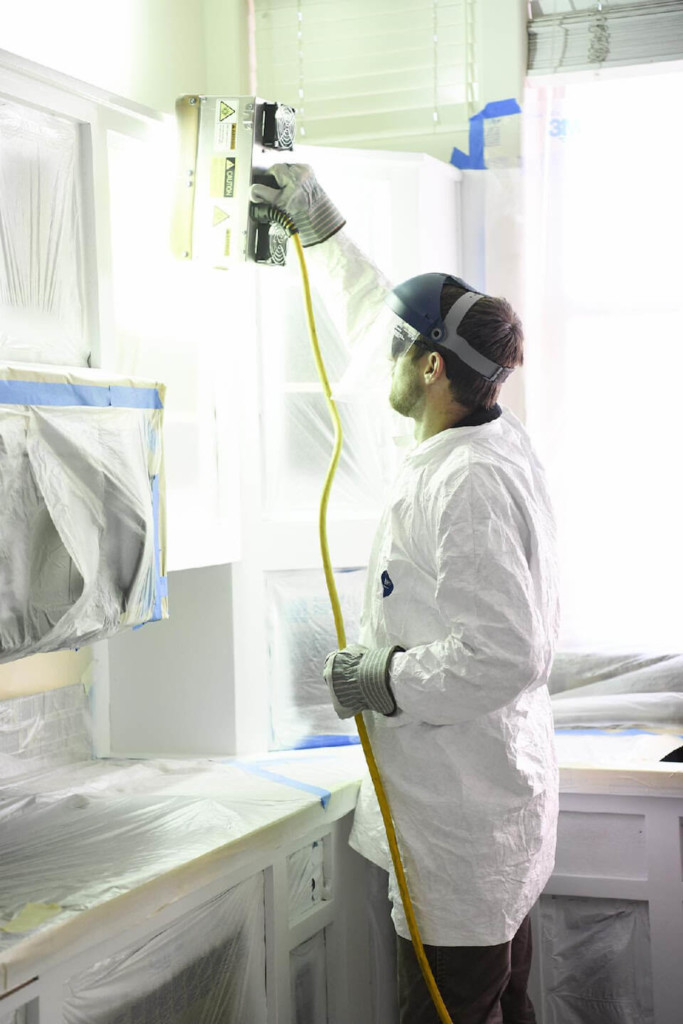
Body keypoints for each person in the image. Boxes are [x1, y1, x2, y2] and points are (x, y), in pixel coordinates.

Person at [251, 165, 560, 1024]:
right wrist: (323, 231)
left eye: (397, 346)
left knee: (449, 1014)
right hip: (487, 809)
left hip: (464, 830)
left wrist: (382, 676)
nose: (375, 352)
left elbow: (505, 652)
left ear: (429, 367)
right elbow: (373, 319)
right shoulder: (468, 432)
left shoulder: (463, 484)